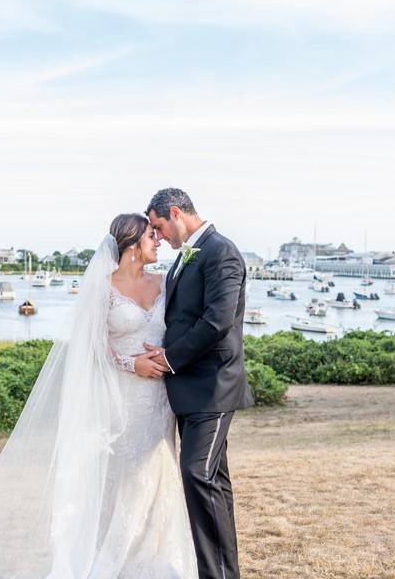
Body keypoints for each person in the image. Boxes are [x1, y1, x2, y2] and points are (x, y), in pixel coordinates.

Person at [0, 213, 197, 578]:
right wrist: (129, 363)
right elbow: (88, 346)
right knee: (121, 479)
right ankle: (112, 558)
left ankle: (153, 559)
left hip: (159, 401)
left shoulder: (165, 283)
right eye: (151, 235)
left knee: (156, 475)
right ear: (132, 244)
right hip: (121, 397)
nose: (159, 240)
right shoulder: (103, 288)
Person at [139, 187, 254, 579]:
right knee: (213, 480)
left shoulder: (222, 252)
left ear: (175, 212)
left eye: (158, 226)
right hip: (189, 390)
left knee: (197, 474)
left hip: (214, 387)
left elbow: (217, 321)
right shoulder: (185, 258)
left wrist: (170, 358)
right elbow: (183, 317)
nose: (159, 236)